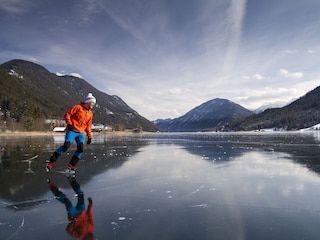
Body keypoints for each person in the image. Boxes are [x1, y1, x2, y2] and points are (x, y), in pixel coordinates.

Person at [46, 93, 96, 176]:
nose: (93, 105)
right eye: (92, 103)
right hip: (72, 130)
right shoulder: (77, 107)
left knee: (80, 149)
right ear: (88, 102)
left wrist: (89, 136)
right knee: (66, 146)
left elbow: (88, 126)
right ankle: (51, 161)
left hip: (80, 133)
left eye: (94, 104)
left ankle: (71, 166)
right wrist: (69, 124)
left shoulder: (90, 114)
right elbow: (67, 115)